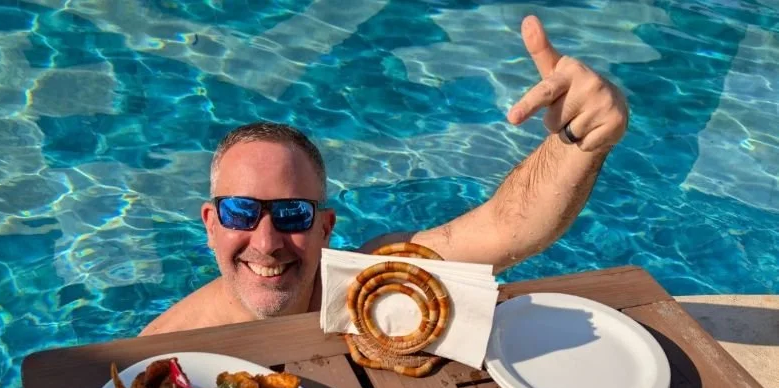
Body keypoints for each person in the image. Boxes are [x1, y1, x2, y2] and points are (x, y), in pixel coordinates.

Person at [139, 16, 628, 336]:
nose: (266, 241)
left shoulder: (366, 281)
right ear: (210, 223)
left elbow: (506, 229)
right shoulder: (164, 351)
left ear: (325, 229)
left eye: (292, 213)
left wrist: (578, 141)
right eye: (241, 211)